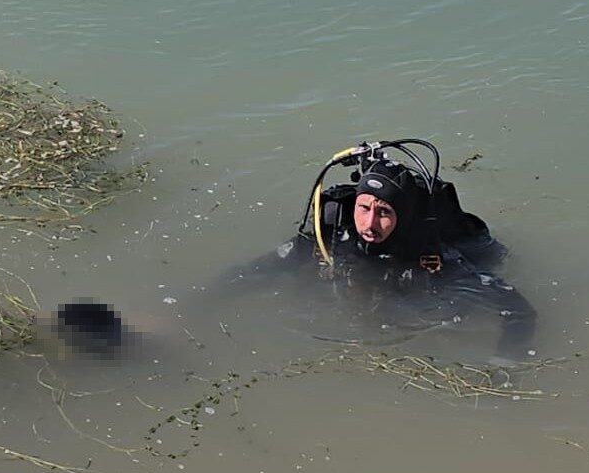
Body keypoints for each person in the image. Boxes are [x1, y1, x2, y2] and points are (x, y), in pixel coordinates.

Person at [223, 139, 535, 362]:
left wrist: (504, 364)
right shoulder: (334, 236)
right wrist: (190, 307)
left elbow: (519, 311)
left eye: (384, 212)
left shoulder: (432, 255)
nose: (369, 223)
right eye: (363, 208)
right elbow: (251, 272)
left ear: (402, 216)